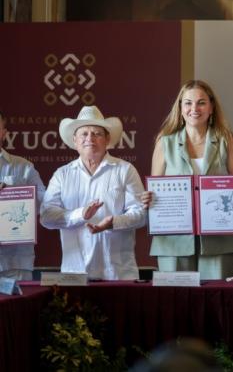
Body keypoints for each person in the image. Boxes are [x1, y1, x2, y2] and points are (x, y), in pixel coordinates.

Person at [142, 80, 233, 280]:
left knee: (220, 304)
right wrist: (147, 198)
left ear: (211, 108)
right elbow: (155, 188)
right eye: (188, 103)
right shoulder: (165, 142)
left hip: (220, 238)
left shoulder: (227, 139)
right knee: (176, 305)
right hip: (174, 240)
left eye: (201, 103)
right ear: (180, 108)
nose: (194, 108)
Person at [41, 106, 147, 280]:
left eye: (97, 133)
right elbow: (46, 216)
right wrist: (80, 214)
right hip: (74, 275)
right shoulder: (62, 174)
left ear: (107, 139)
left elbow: (141, 215)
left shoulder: (125, 170)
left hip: (118, 274)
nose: (90, 138)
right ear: (75, 141)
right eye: (84, 134)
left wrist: (114, 222)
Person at [0, 111, 46, 280]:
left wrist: (17, 198)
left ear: (4, 133)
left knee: (16, 307)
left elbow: (45, 201)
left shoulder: (24, 167)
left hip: (15, 261)